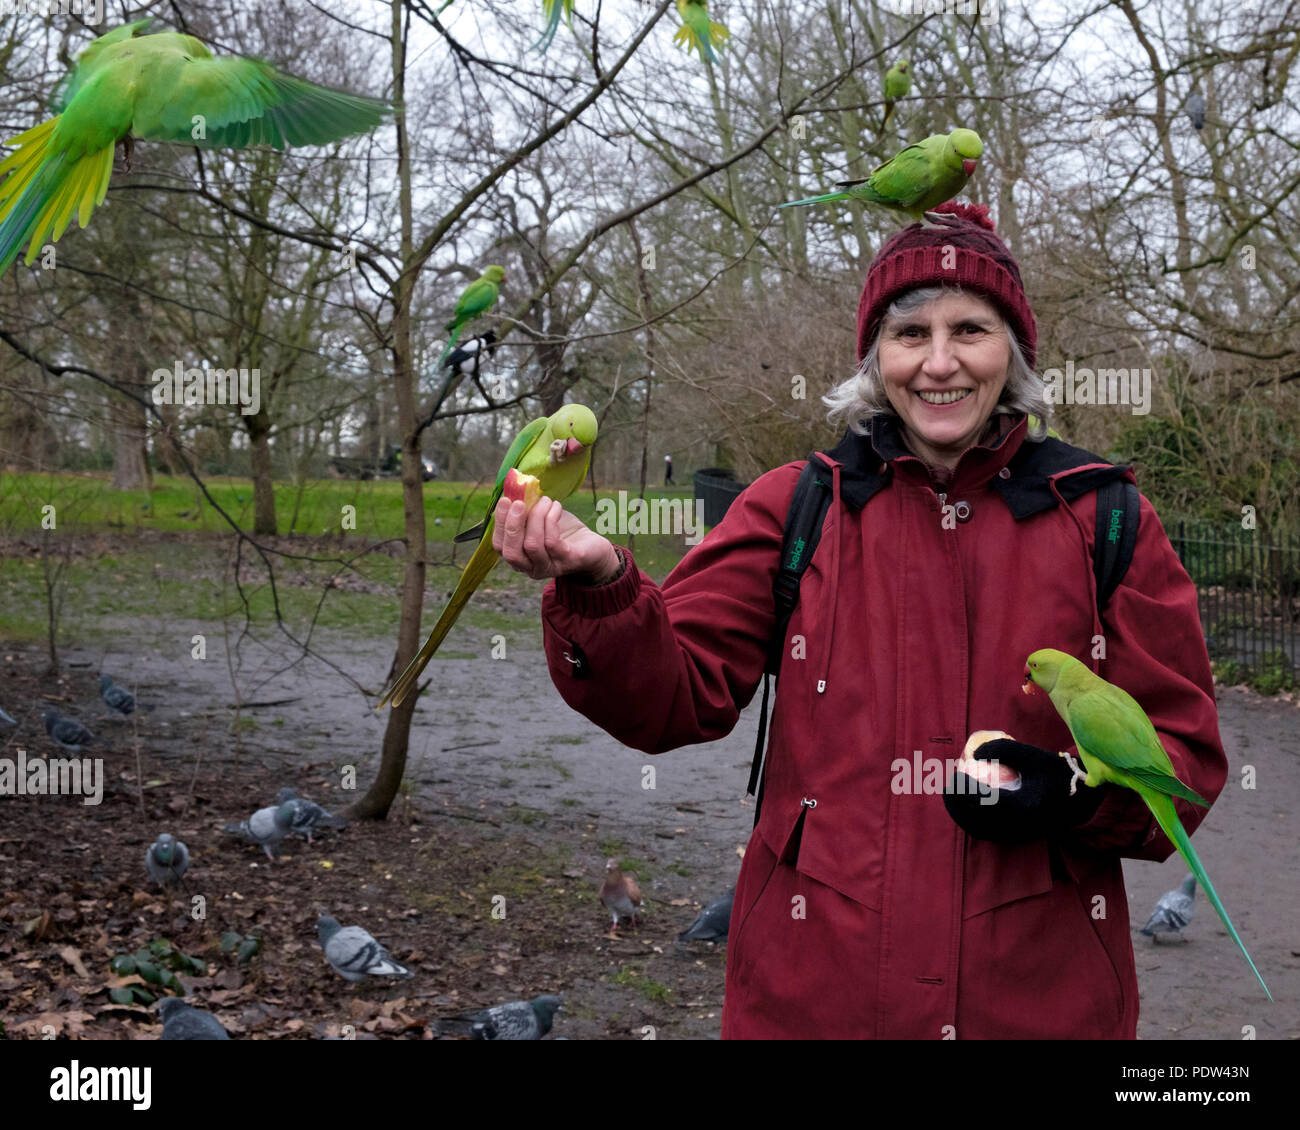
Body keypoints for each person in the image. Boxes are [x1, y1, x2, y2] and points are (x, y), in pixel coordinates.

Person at [488, 202, 1226, 1039]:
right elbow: (673, 697)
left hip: (1038, 1004)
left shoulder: (1104, 516)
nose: (939, 362)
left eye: (971, 330)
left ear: (1013, 353)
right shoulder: (796, 505)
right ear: (877, 356)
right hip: (812, 1001)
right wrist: (604, 585)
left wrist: (1072, 799)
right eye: (910, 333)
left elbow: (1187, 760)